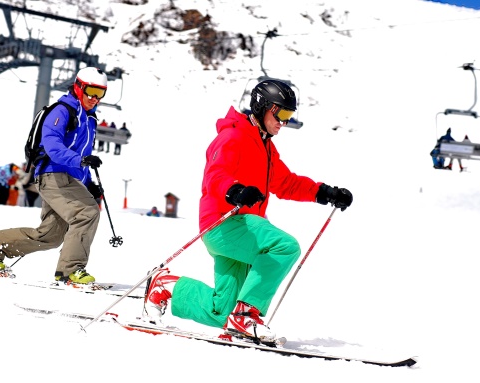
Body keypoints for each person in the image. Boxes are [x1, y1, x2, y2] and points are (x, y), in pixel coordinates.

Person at [143, 79, 353, 343]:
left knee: (221, 310)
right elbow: (215, 175)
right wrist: (235, 190)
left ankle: (164, 286)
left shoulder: (264, 146)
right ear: (264, 106)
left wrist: (325, 193)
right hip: (225, 223)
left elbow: (286, 183)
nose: (284, 122)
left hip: (241, 230)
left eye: (289, 116)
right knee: (285, 246)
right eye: (282, 114)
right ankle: (246, 315)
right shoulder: (233, 136)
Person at [0, 66, 108, 284]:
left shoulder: (89, 119)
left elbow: (79, 156)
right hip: (53, 176)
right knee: (87, 213)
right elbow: (52, 145)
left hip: (70, 179)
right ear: (78, 87)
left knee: (51, 236)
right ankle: (70, 271)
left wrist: (88, 183)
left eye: (101, 93)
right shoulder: (62, 111)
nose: (95, 98)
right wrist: (80, 161)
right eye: (91, 92)